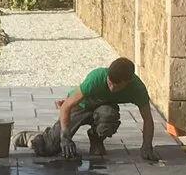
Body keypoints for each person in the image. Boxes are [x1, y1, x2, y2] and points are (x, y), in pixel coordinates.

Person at [13, 57, 158, 161]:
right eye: (110, 82)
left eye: (117, 85)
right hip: (80, 107)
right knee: (50, 148)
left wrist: (147, 145)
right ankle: (32, 137)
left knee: (109, 115)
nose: (112, 87)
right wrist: (65, 137)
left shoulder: (137, 88)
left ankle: (96, 140)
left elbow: (148, 119)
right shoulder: (96, 77)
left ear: (128, 81)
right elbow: (66, 106)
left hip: (102, 109)